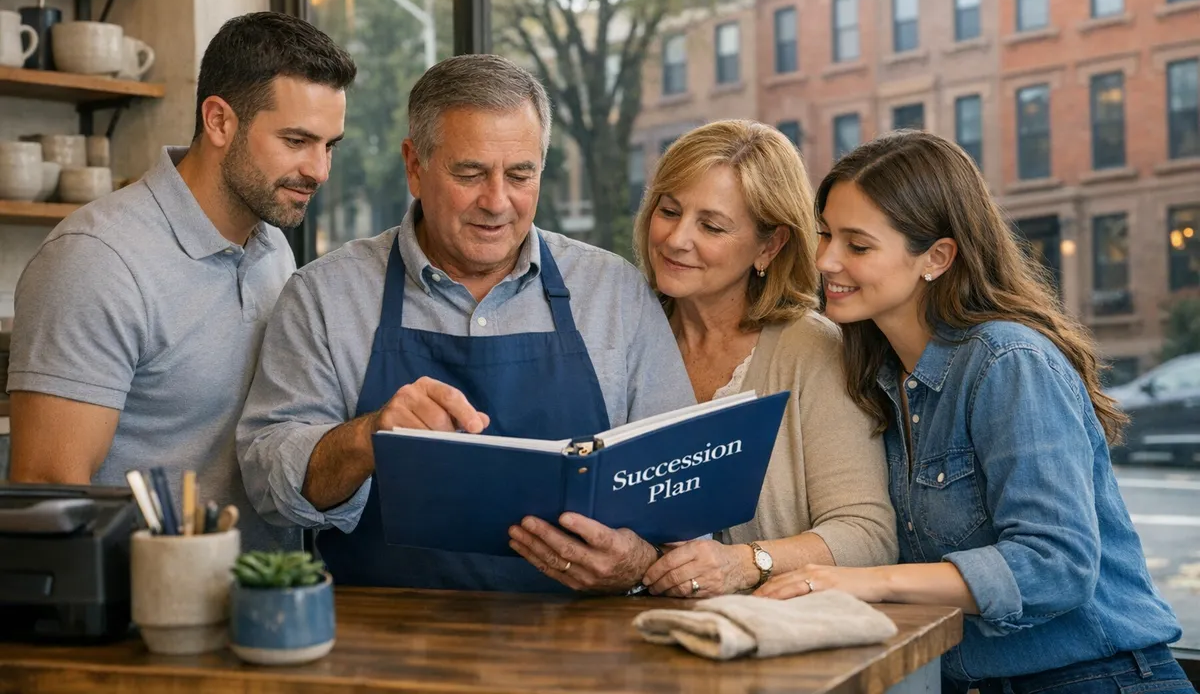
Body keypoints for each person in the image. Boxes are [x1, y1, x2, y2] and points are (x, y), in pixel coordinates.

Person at [236, 53, 695, 592]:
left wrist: (636, 565)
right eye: (470, 173)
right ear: (414, 165)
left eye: (520, 174)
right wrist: (366, 438)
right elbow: (268, 482)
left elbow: (682, 488)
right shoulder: (324, 296)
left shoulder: (614, 293)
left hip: (582, 645)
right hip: (383, 646)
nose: (497, 202)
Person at [757, 130, 1190, 694]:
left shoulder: (1008, 361)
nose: (826, 260)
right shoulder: (878, 375)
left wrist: (860, 582)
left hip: (1098, 679)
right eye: (825, 235)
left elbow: (1056, 565)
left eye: (857, 246)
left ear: (936, 257)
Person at [7, 12, 356, 552]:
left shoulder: (271, 249)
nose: (319, 170)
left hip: (260, 598)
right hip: (149, 615)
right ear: (218, 121)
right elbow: (48, 492)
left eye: (329, 145)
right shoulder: (96, 261)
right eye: (296, 141)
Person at [629, 120, 897, 599]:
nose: (675, 239)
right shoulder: (624, 333)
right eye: (669, 210)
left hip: (772, 651)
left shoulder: (815, 351)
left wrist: (747, 562)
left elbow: (867, 535)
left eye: (710, 226)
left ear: (770, 245)